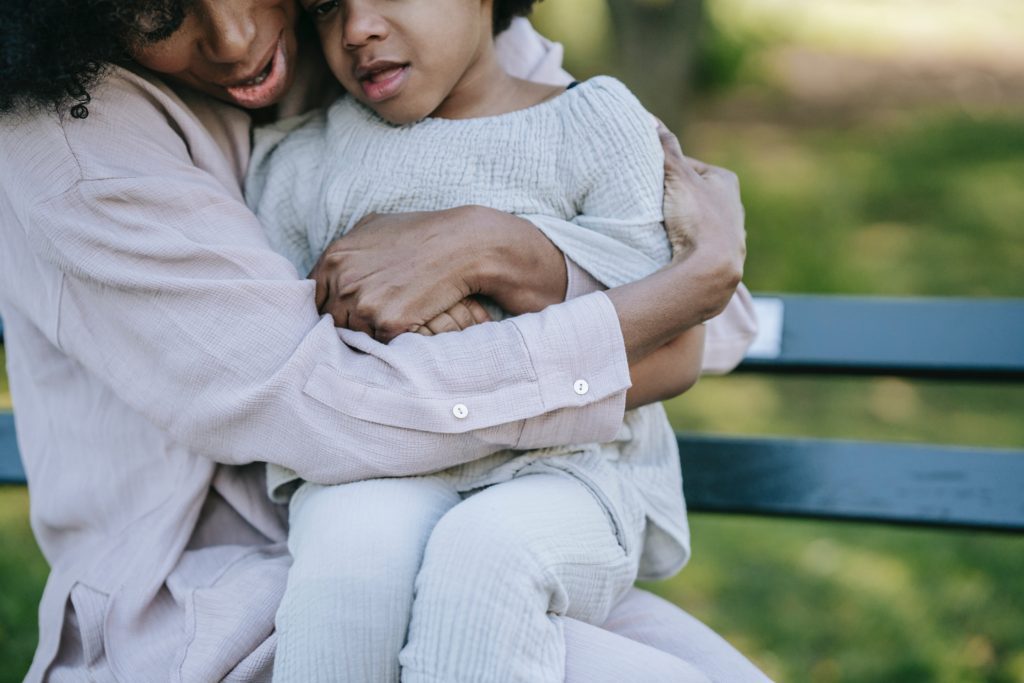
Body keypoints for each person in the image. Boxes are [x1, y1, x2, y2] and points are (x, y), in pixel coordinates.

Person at [0, 1, 766, 681]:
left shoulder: (403, 40)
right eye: (156, 10)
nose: (232, 40)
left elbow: (705, 324)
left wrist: (498, 248)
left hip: (513, 511)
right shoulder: (72, 136)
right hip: (215, 609)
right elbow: (328, 410)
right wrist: (664, 297)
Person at [245, 0, 746, 680]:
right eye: (327, 6)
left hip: (574, 473)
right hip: (378, 466)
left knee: (488, 554)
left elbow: (662, 328)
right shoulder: (303, 161)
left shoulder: (595, 124)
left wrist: (466, 310)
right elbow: (294, 349)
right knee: (345, 567)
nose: (357, 28)